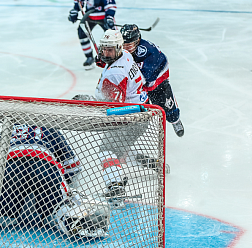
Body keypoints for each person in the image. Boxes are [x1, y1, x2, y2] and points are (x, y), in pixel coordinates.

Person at [0, 124, 110, 237]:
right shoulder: (49, 129)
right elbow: (73, 167)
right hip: (45, 166)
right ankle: (74, 218)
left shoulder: (4, 133)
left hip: (9, 169)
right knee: (60, 205)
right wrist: (66, 191)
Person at [73, 29, 155, 208]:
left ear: (118, 47)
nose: (105, 53)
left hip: (131, 118)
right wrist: (105, 61)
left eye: (109, 50)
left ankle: (116, 190)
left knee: (106, 151)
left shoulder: (115, 75)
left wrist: (89, 101)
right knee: (117, 149)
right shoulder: (124, 54)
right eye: (104, 49)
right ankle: (147, 161)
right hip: (140, 110)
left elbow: (112, 106)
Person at [119, 24, 184, 137]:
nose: (125, 48)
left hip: (158, 81)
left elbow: (147, 77)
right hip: (142, 81)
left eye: (128, 45)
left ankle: (175, 120)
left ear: (137, 40)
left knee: (168, 106)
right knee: (141, 110)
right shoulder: (126, 50)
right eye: (123, 44)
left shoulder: (149, 52)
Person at [68, 0, 117, 69]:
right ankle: (89, 58)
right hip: (90, 16)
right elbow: (79, 2)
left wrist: (109, 17)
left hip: (104, 17)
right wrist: (75, 10)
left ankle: (115, 59)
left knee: (113, 37)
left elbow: (110, 4)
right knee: (82, 33)